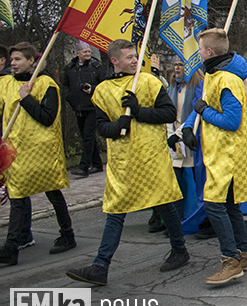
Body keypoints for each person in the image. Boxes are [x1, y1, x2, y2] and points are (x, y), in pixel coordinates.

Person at [65, 39, 188, 285]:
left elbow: (167, 113)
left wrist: (139, 110)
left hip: (151, 157)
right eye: (129, 57)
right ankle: (101, 267)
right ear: (114, 61)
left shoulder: (149, 82)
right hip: (122, 162)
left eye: (135, 56)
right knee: (116, 211)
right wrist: (116, 125)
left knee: (164, 204)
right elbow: (100, 127)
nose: (135, 60)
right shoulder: (102, 91)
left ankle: (179, 249)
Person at [180, 29, 247, 285]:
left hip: (227, 156)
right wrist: (190, 127)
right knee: (229, 205)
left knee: (214, 205)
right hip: (217, 153)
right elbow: (203, 106)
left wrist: (205, 111)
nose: (199, 53)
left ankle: (230, 260)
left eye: (201, 49)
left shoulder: (227, 80)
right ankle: (244, 254)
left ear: (209, 52)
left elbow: (232, 121)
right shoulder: (213, 75)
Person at [0, 42, 75, 266]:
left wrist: (26, 98)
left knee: (53, 193)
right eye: (12, 60)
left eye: (18, 59)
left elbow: (47, 117)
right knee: (18, 197)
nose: (13, 63)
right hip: (16, 151)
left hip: (42, 150)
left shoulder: (45, 84)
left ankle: (68, 234)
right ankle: (11, 247)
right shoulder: (5, 83)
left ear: (32, 60)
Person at [165, 60, 203, 228]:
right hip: (174, 140)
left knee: (197, 180)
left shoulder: (197, 86)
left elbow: (195, 112)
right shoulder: (172, 87)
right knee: (176, 182)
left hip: (191, 138)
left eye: (181, 64)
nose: (177, 67)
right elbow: (169, 114)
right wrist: (171, 135)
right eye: (176, 64)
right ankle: (177, 221)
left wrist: (181, 133)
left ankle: (201, 218)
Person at [63, 40, 106, 178]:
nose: (88, 54)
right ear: (78, 53)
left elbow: (105, 85)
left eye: (88, 51)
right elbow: (65, 85)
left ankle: (84, 167)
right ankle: (97, 164)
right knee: (86, 136)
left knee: (88, 136)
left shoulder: (96, 66)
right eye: (85, 52)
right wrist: (69, 96)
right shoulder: (70, 68)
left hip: (93, 106)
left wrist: (92, 89)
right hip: (78, 107)